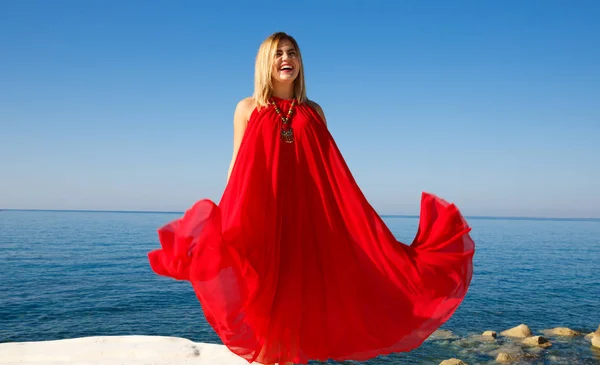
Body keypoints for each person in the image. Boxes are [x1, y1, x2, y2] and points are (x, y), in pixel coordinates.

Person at [148, 32, 475, 365]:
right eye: (277, 54)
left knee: (307, 294)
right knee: (262, 293)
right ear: (265, 62)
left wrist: (350, 220)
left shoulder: (314, 111)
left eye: (291, 53)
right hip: (264, 214)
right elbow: (237, 163)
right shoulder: (247, 108)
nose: (285, 58)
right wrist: (224, 216)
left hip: (307, 218)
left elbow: (330, 169)